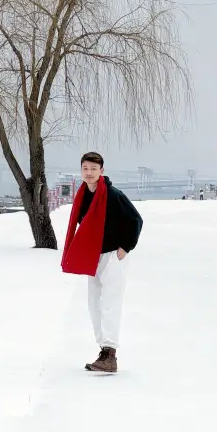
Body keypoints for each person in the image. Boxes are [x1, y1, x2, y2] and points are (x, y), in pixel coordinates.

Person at [61, 151, 143, 374]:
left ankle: (110, 353)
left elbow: (135, 219)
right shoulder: (83, 196)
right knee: (94, 303)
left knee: (110, 303)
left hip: (113, 256)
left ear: (102, 171)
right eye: (85, 169)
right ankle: (103, 351)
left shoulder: (113, 195)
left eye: (93, 169)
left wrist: (126, 247)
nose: (89, 173)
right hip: (94, 256)